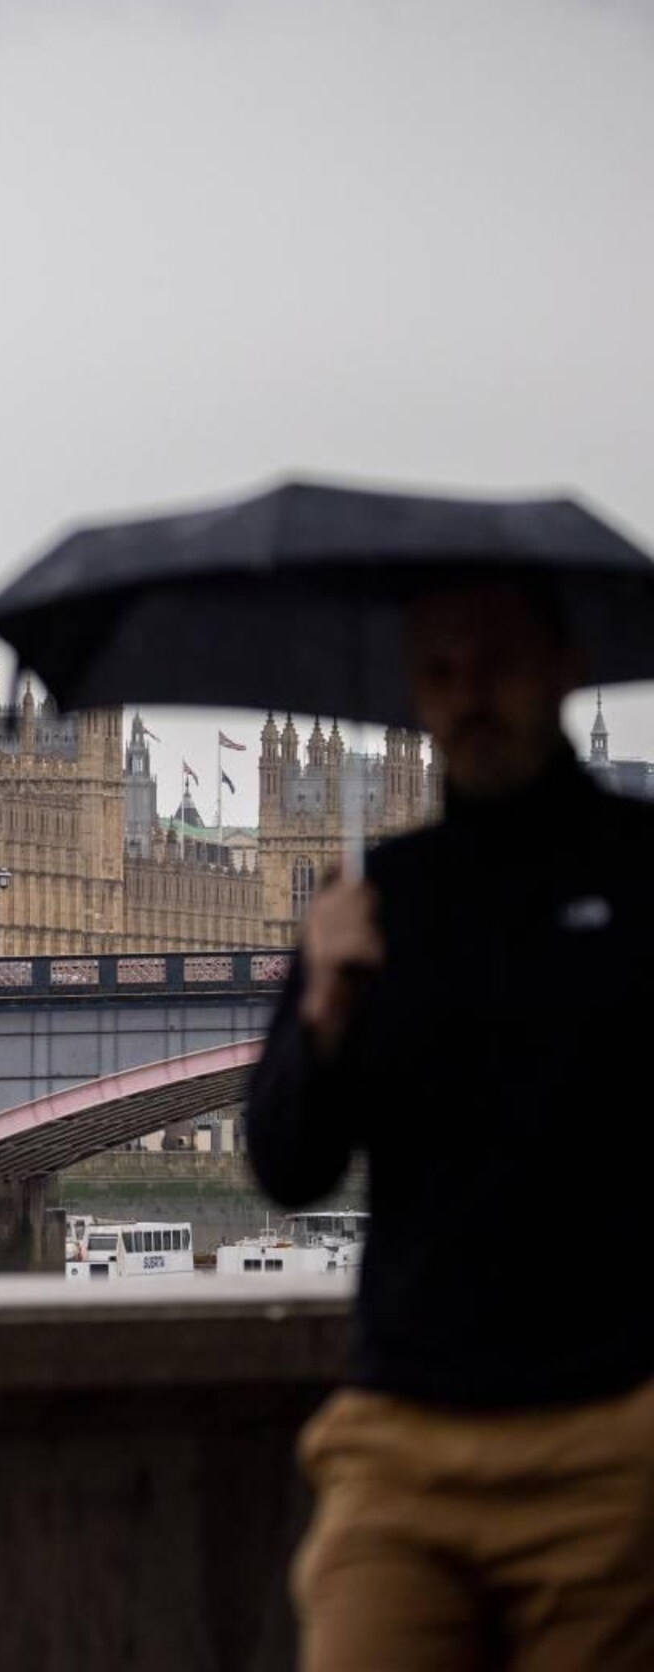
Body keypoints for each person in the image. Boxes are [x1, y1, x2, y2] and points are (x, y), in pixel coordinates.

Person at [248, 576, 654, 1670]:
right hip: (400, 1443)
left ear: (562, 669)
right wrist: (322, 1013)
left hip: (607, 1442)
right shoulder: (375, 899)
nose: (468, 695)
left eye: (496, 665)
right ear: (414, 698)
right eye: (439, 671)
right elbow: (287, 1162)